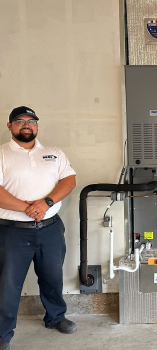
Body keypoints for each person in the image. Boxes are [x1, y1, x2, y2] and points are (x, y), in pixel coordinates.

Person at [0, 106, 77, 350]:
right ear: (10, 126)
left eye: (31, 121)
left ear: (37, 126)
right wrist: (27, 208)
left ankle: (56, 318)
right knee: (8, 284)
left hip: (50, 228)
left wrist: (46, 203)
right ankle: (3, 334)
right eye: (20, 121)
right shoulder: (1, 154)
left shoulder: (54, 153)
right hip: (12, 231)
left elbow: (69, 180)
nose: (26, 124)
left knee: (52, 277)